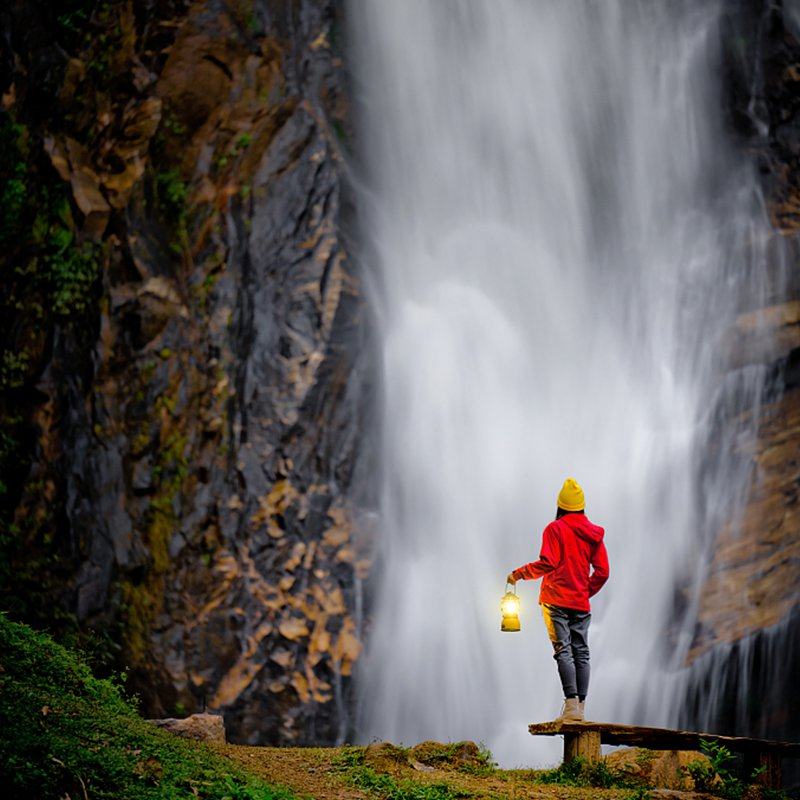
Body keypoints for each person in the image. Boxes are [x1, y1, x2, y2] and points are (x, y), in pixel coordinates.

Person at [506, 477, 609, 722]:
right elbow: (603, 571)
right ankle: (580, 709)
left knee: (563, 651)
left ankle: (570, 706)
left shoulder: (555, 529)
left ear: (560, 506)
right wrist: (584, 591)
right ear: (582, 506)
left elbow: (549, 563)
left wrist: (518, 574)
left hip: (555, 601)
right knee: (582, 652)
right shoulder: (593, 534)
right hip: (580, 603)